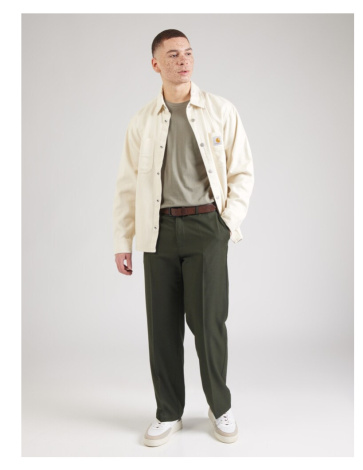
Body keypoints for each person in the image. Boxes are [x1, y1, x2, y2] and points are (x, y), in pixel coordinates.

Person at [113, 29, 254, 446]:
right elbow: (126, 186)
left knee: (208, 324)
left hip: (206, 228)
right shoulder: (142, 121)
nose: (183, 61)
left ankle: (220, 406)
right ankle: (168, 412)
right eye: (173, 55)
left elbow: (242, 170)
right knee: (162, 327)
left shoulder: (220, 110)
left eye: (188, 53)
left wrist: (227, 223)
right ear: (155, 64)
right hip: (157, 232)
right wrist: (123, 241)